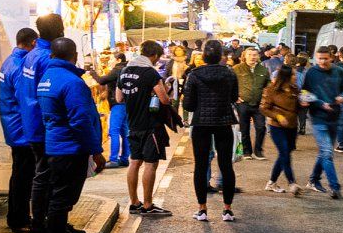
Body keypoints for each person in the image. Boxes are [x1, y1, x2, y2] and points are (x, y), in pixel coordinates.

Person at [35, 37, 106, 233]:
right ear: (74, 56)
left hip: (56, 145)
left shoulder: (47, 78)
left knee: (60, 198)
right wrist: (96, 150)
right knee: (62, 200)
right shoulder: (72, 82)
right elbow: (81, 120)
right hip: (70, 148)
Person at [182, 38, 241, 221]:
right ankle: (227, 209)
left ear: (204, 56)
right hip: (223, 122)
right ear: (221, 56)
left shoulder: (194, 75)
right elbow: (234, 97)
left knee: (200, 165)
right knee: (226, 166)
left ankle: (202, 209)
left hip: (201, 123)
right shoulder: (230, 73)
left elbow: (189, 105)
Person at [16, 13, 61, 233]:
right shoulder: (46, 57)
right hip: (45, 127)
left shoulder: (31, 55)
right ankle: (41, 230)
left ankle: (49, 226)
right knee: (46, 178)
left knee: (43, 176)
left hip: (32, 123)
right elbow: (48, 95)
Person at [116, 40, 175, 217]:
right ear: (155, 56)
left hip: (133, 124)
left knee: (135, 162)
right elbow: (164, 100)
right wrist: (167, 88)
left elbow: (119, 98)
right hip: (150, 125)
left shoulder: (124, 71)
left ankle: (134, 202)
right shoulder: (150, 73)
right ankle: (148, 204)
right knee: (151, 163)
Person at [0, 27, 39, 232]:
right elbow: (26, 100)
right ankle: (19, 219)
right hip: (22, 129)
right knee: (24, 175)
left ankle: (16, 216)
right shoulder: (21, 66)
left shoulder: (8, 61)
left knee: (19, 173)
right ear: (33, 43)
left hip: (13, 126)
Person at [300, 44, 343, 197]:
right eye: (319, 59)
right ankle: (335, 187)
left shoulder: (339, 71)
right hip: (318, 117)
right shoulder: (311, 73)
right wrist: (320, 103)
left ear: (331, 58)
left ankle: (314, 179)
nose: (322, 62)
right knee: (327, 152)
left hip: (335, 116)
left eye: (325, 59)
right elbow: (305, 92)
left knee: (324, 152)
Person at [260, 63, 303, 194]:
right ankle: (292, 183)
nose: (296, 76)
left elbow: (298, 108)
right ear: (286, 76)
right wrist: (277, 116)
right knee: (284, 153)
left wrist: (303, 103)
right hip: (276, 127)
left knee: (284, 154)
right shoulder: (272, 89)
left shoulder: (295, 89)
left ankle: (271, 182)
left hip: (292, 126)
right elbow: (263, 108)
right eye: (294, 74)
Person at [234, 46, 270, 159]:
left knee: (261, 127)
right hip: (243, 103)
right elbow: (230, 83)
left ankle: (258, 151)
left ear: (258, 56)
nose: (252, 57)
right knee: (244, 128)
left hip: (259, 104)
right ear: (245, 56)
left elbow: (268, 85)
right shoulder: (237, 68)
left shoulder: (263, 69)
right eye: (250, 55)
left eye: (255, 55)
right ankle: (247, 152)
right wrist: (235, 97)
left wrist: (266, 97)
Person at [97, 50, 130, 168]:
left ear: (119, 60)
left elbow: (102, 80)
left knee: (114, 132)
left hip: (118, 104)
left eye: (112, 59)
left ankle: (114, 160)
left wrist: (92, 73)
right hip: (126, 104)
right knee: (124, 132)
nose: (110, 61)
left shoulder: (117, 69)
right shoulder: (127, 69)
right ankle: (125, 158)